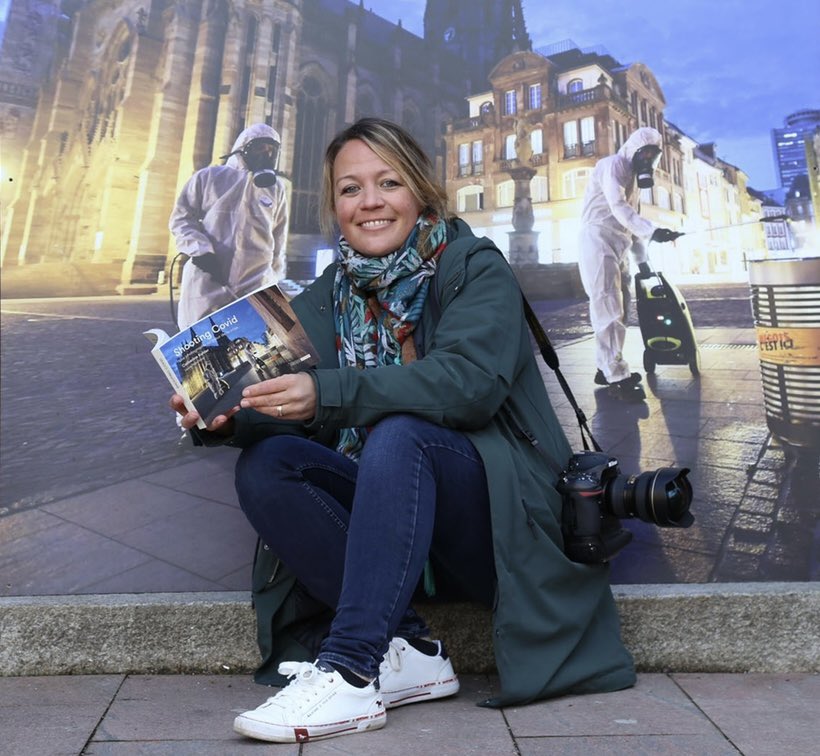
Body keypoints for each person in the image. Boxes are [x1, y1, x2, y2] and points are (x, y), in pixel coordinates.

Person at [170, 117, 636, 744]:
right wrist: (222, 416)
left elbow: (468, 385)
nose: (369, 202)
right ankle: (408, 649)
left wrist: (328, 393)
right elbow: (274, 387)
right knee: (268, 461)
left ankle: (351, 669)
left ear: (420, 189)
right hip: (384, 537)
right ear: (334, 206)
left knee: (400, 434)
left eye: (388, 183)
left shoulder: (474, 265)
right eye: (350, 189)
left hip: (492, 529)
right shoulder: (328, 292)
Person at [578, 126, 682, 401]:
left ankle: (606, 368)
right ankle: (617, 377)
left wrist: (642, 261)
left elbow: (630, 225)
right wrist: (653, 231)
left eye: (653, 155)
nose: (648, 159)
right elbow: (618, 207)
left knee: (619, 309)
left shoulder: (634, 180)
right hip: (598, 241)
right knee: (608, 308)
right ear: (634, 149)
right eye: (645, 153)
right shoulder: (612, 165)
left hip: (618, 246)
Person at [169, 123, 289, 329]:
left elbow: (279, 237)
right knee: (202, 338)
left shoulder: (276, 188)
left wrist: (274, 279)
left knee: (254, 341)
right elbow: (181, 218)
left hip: (256, 283)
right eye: (260, 148)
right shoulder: (209, 177)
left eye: (271, 150)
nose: (266, 154)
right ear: (243, 148)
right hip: (209, 280)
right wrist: (200, 250)